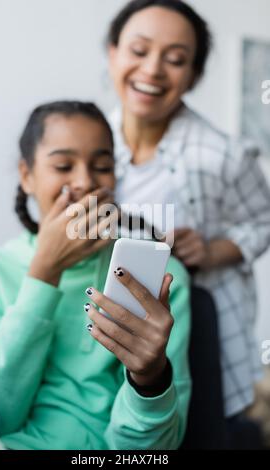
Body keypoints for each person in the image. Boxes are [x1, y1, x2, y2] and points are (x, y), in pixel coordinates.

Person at [0, 100, 191, 450]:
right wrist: (44, 273)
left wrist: (149, 379)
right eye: (63, 165)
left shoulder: (159, 277)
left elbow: (151, 452)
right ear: (26, 176)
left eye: (101, 166)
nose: (85, 181)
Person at [106, 0, 270, 424]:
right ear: (113, 53)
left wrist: (217, 251)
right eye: (139, 51)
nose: (154, 70)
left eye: (176, 59)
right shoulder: (90, 146)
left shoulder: (224, 154)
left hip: (199, 336)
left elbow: (263, 220)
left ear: (194, 74)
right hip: (106, 339)